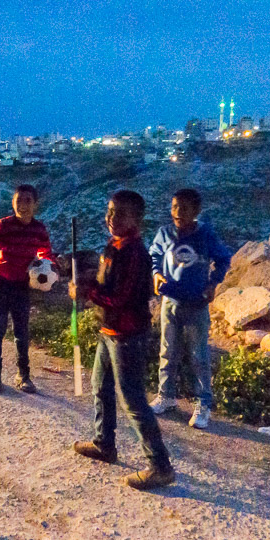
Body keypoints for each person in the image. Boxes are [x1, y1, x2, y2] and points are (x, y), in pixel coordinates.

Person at [71, 190, 175, 490]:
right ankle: (105, 444)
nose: (110, 217)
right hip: (109, 331)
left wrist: (86, 293)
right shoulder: (114, 246)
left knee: (132, 400)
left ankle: (160, 465)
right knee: (99, 387)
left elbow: (120, 297)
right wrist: (88, 280)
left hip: (127, 335)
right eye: (109, 211)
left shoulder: (135, 254)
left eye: (119, 213)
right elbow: (106, 282)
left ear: (137, 219)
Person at [148, 188, 232, 429]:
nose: (177, 212)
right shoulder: (164, 233)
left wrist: (213, 283)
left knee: (198, 356)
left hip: (196, 304)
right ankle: (166, 396)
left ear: (196, 211)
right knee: (167, 351)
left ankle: (203, 403)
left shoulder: (205, 235)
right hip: (170, 302)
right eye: (174, 207)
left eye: (184, 208)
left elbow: (223, 258)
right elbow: (154, 255)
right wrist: (156, 274)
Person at [0, 184, 55, 394]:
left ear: (36, 204)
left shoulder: (39, 230)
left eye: (28, 201)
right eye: (18, 200)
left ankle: (24, 376)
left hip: (21, 287)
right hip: (0, 285)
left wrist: (55, 264)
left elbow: (46, 254)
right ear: (13, 203)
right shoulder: (3, 225)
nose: (22, 205)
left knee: (21, 333)